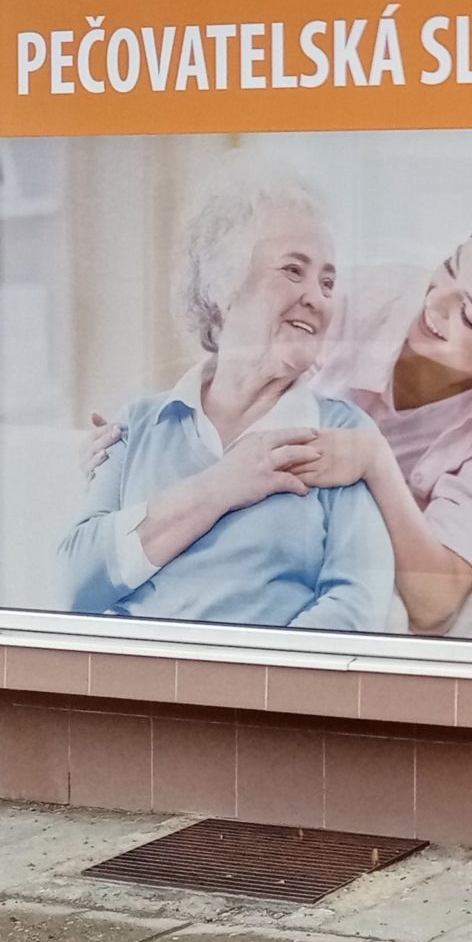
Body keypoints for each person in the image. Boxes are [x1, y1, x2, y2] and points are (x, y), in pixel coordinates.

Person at [86, 209, 472, 635]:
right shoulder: (356, 300)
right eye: (449, 267)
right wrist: (130, 444)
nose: (434, 302)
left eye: (467, 316)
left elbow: (433, 600)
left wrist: (373, 459)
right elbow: (227, 384)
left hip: (342, 562)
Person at [58, 168, 395, 631]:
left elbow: (356, 607)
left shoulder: (340, 434)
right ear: (222, 283)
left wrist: (239, 670)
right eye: (293, 270)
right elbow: (75, 584)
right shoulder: (139, 424)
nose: (316, 298)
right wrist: (222, 485)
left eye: (327, 283)